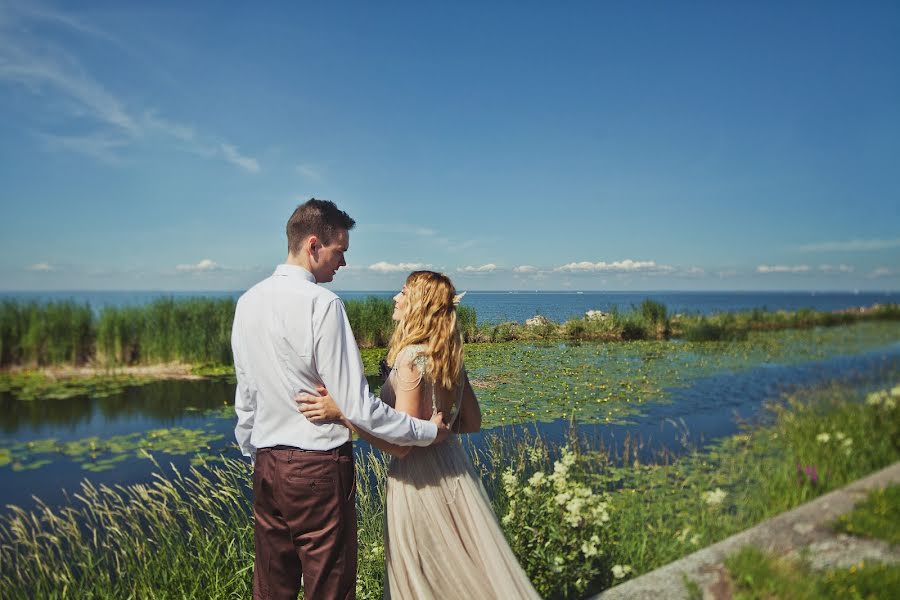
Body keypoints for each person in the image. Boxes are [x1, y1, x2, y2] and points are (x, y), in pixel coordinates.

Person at [232, 199, 450, 600]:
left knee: (270, 588)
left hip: (266, 466)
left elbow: (246, 399)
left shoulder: (247, 304)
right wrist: (426, 431)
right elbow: (359, 407)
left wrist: (258, 453)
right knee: (328, 589)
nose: (343, 263)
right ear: (314, 245)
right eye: (340, 252)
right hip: (318, 469)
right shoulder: (323, 305)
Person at [297, 271, 540, 599]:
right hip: (455, 471)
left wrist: (342, 415)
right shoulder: (448, 356)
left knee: (425, 579)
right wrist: (438, 431)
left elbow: (403, 445)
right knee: (463, 571)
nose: (395, 299)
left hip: (418, 481)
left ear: (420, 306)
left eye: (403, 293)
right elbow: (471, 423)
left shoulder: (411, 358)